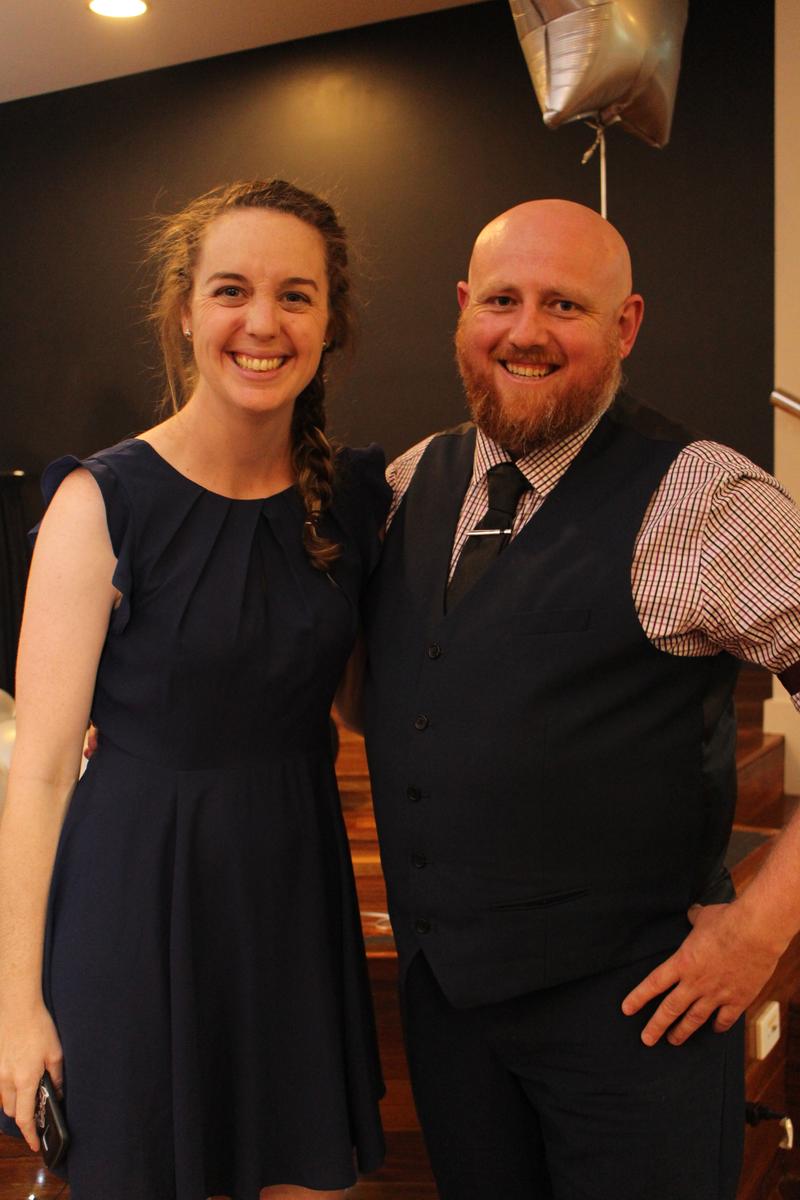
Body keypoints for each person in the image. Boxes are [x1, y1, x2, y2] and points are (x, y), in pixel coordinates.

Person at [360, 199, 800, 1199]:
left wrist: (759, 932)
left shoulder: (707, 498)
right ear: (463, 309)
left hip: (636, 1018)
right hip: (450, 1012)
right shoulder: (408, 482)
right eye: (502, 301)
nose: (526, 331)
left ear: (625, 325)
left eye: (564, 305)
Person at [0, 179, 389, 1199]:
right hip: (134, 900)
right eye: (230, 290)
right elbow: (40, 771)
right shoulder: (102, 501)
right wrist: (14, 1006)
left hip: (293, 896)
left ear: (329, 323)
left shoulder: (355, 497)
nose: (262, 322)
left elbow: (365, 704)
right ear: (183, 311)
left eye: (295, 295)